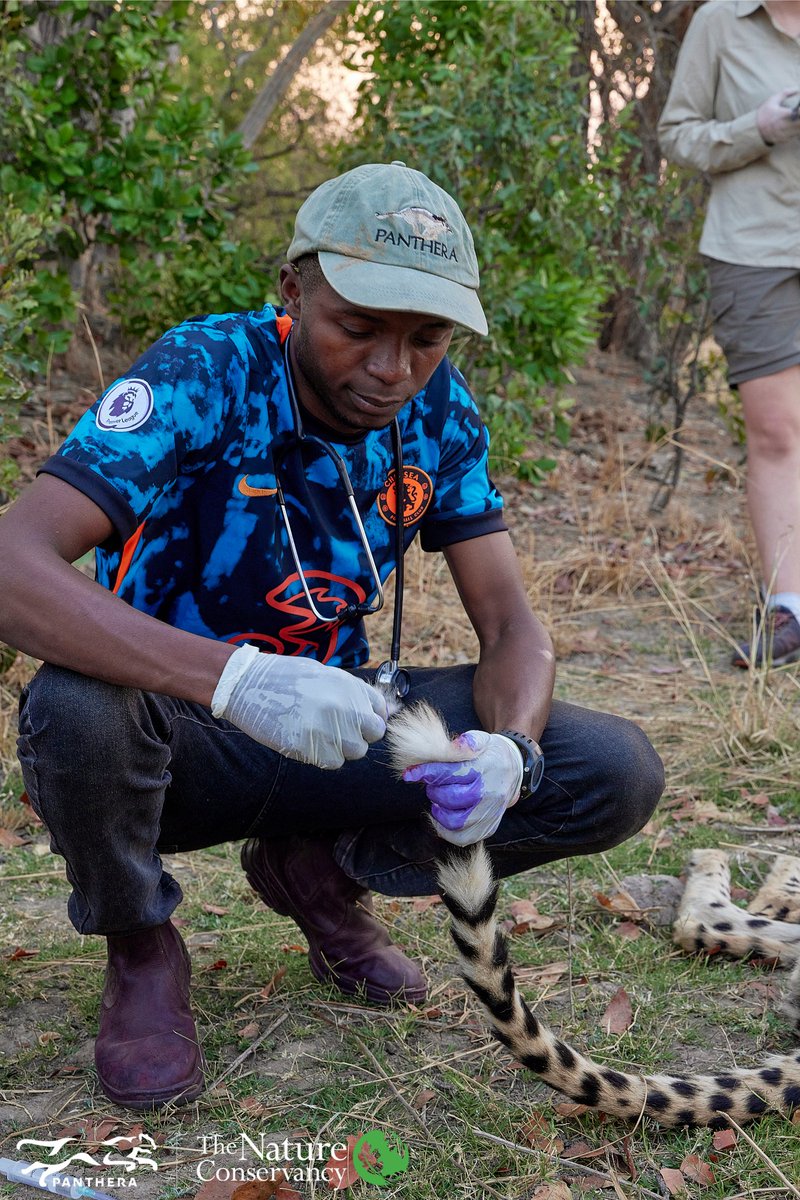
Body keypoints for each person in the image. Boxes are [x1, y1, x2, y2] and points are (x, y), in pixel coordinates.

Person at [0, 161, 664, 1111]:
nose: (392, 370)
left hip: (337, 727)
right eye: (357, 328)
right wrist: (235, 681)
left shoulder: (439, 412)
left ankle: (319, 867)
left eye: (426, 339)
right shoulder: (202, 373)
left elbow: (513, 623)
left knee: (610, 766)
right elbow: (11, 564)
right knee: (74, 707)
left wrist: (510, 748)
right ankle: (141, 944)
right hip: (175, 738)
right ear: (294, 291)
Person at [658, 0, 800, 668]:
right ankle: (790, 613)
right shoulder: (721, 20)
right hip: (755, 249)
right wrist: (760, 127)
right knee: (778, 432)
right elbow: (678, 135)